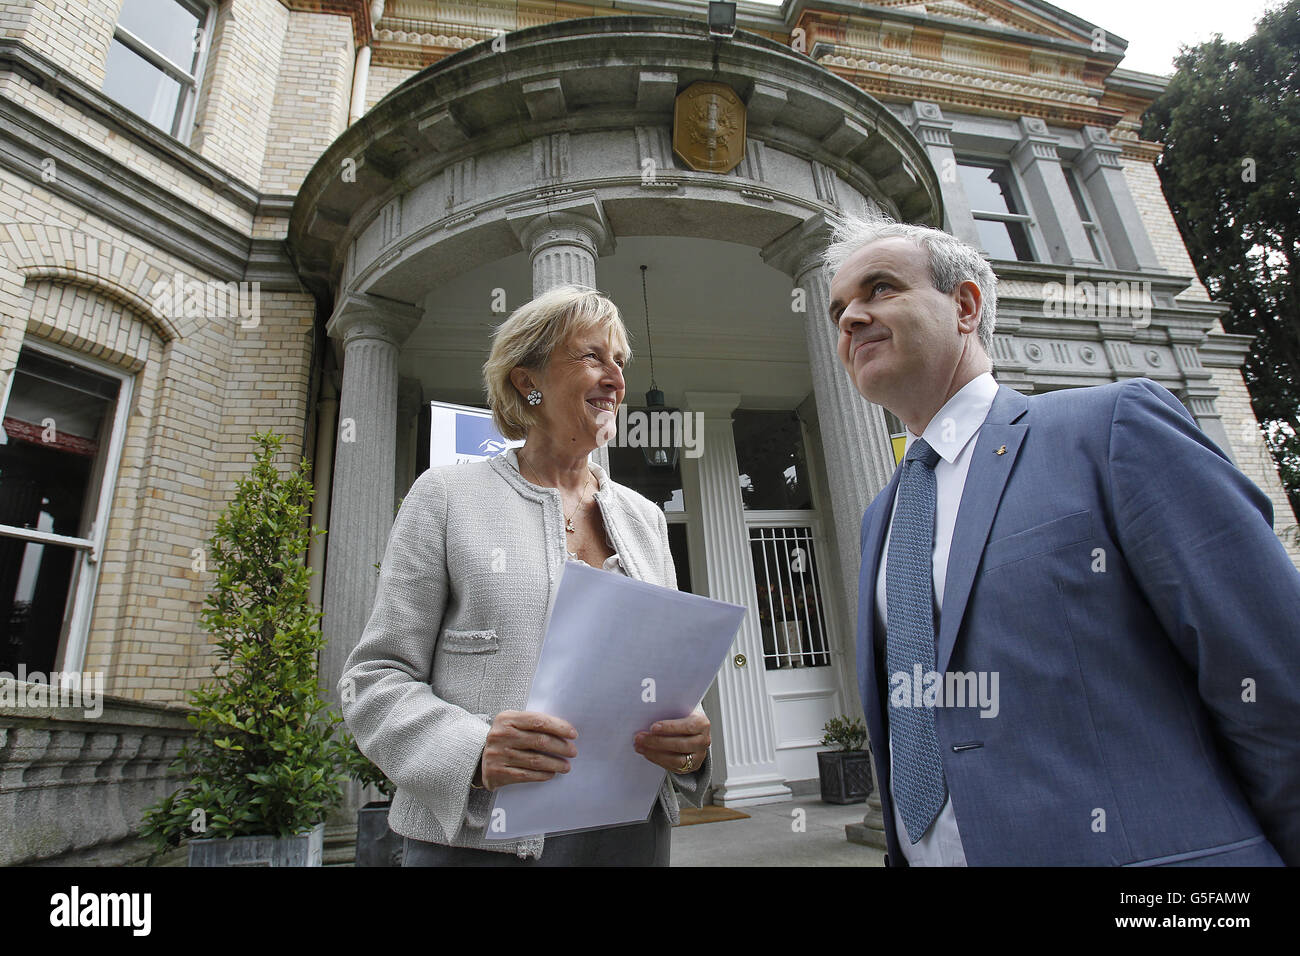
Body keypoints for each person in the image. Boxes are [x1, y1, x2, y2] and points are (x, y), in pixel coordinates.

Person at [824, 211, 1300, 866]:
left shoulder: (1111, 430)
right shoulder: (883, 514)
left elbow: (1274, 677)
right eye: (838, 308)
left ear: (964, 305)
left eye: (879, 289)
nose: (850, 318)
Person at [338, 285, 711, 866]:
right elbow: (375, 678)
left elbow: (666, 680)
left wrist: (690, 741)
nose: (615, 377)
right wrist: (471, 751)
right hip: (480, 840)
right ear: (526, 380)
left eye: (620, 362)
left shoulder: (645, 518)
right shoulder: (447, 496)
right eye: (592, 357)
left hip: (631, 835)